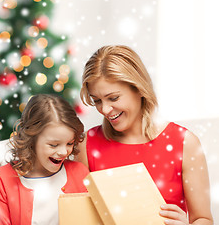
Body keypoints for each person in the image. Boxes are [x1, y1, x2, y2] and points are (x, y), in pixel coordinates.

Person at [76, 45, 214, 225]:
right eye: (97, 101)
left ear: (139, 88)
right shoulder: (86, 145)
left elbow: (203, 219)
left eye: (114, 98)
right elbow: (77, 216)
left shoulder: (185, 143)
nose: (105, 109)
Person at [0, 94, 89, 225]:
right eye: (53, 145)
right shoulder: (1, 180)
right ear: (32, 139)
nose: (64, 152)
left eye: (69, 143)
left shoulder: (80, 174)